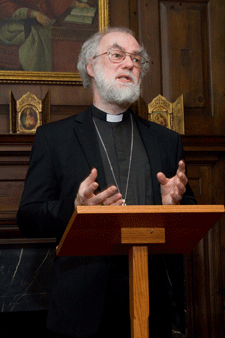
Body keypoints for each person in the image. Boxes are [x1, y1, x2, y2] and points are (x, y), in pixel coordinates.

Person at [17, 27, 197, 338]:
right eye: (117, 55)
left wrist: (174, 205)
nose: (130, 64)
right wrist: (74, 208)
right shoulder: (54, 138)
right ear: (90, 65)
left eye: (137, 59)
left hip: (151, 301)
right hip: (83, 307)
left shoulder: (165, 141)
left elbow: (192, 213)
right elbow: (28, 216)